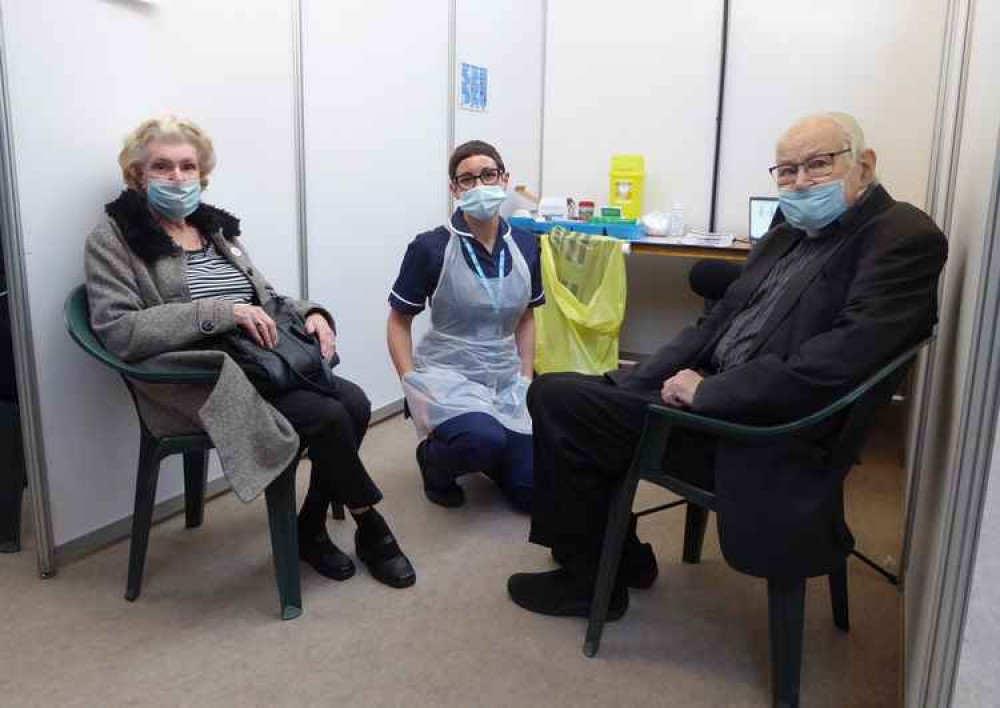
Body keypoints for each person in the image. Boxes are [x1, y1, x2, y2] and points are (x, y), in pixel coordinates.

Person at [508, 112, 948, 620]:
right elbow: (714, 324)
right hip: (716, 396)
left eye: (818, 165)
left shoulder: (902, 237)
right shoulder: (789, 230)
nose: (800, 182)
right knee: (572, 389)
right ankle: (620, 560)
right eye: (786, 171)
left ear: (864, 166)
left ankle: (592, 585)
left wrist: (707, 394)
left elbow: (835, 365)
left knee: (557, 401)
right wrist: (636, 380)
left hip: (762, 432)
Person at [85, 116, 415, 588]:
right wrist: (222, 313)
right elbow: (119, 330)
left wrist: (312, 313)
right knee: (327, 415)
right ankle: (370, 524)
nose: (177, 178)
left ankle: (310, 527)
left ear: (202, 174)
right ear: (137, 175)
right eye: (162, 166)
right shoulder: (114, 238)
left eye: (187, 166)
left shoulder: (213, 230)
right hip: (198, 378)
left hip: (259, 360)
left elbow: (265, 297)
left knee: (355, 403)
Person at [387, 140, 544, 511]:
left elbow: (526, 317)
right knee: (481, 440)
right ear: (454, 189)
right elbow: (398, 321)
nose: (479, 186)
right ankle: (434, 462)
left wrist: (524, 380)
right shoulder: (430, 247)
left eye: (488, 175)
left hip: (504, 375)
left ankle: (491, 445)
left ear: (504, 179)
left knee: (532, 493)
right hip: (447, 375)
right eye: (467, 179)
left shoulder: (525, 244)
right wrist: (412, 384)